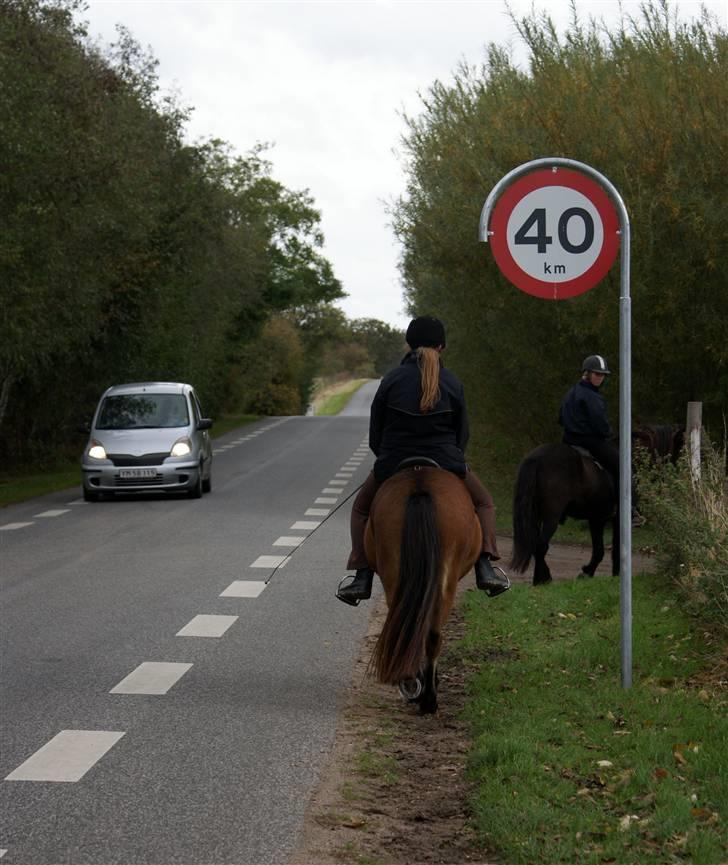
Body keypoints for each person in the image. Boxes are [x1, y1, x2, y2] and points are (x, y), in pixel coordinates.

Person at [336, 315, 510, 606]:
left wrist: (387, 461)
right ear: (441, 346)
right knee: (484, 503)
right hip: (445, 458)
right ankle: (485, 566)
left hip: (394, 459)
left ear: (409, 343)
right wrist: (453, 459)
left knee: (361, 510)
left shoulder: (391, 379)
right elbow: (462, 434)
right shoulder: (452, 382)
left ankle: (362, 573)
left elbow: (375, 435)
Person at [559, 354, 620, 495]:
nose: (600, 378)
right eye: (597, 374)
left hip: (568, 439)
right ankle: (628, 509)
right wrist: (608, 432)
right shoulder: (592, 396)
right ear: (587, 373)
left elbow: (561, 417)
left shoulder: (571, 392)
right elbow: (600, 424)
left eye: (603, 375)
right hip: (589, 441)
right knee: (621, 464)